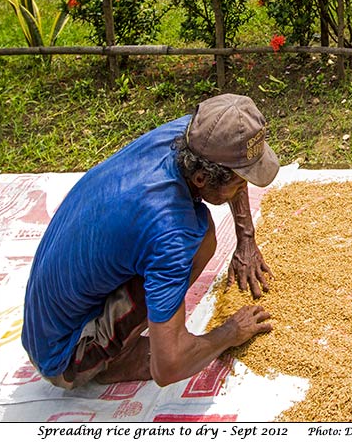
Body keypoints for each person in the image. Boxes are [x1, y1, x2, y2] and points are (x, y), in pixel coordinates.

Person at [21, 93, 280, 389]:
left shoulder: (194, 135)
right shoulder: (171, 230)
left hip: (52, 313)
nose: (242, 188)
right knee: (201, 239)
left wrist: (245, 238)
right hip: (63, 353)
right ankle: (108, 361)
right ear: (201, 178)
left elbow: (232, 165)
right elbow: (168, 368)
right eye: (238, 182)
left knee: (195, 233)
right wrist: (230, 332)